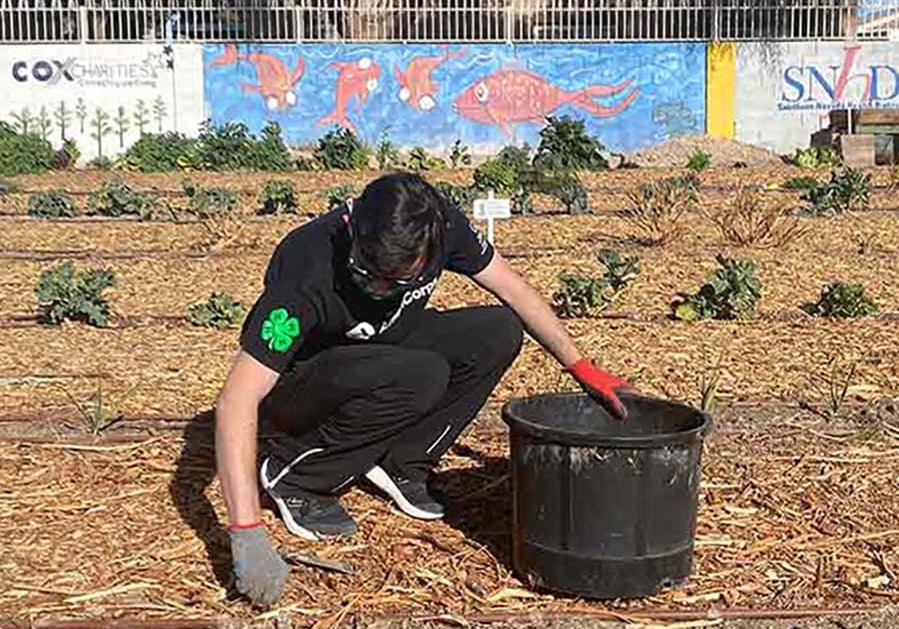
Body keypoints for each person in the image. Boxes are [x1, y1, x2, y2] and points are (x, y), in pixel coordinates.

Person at [214, 172, 633, 605]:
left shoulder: (437, 224)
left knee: (498, 330)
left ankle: (402, 464)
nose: (377, 288)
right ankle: (297, 476)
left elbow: (512, 288)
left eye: (395, 283)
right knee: (421, 373)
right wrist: (246, 533)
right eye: (366, 272)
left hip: (382, 349)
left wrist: (581, 367)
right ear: (355, 228)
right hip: (304, 387)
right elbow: (236, 400)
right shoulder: (307, 267)